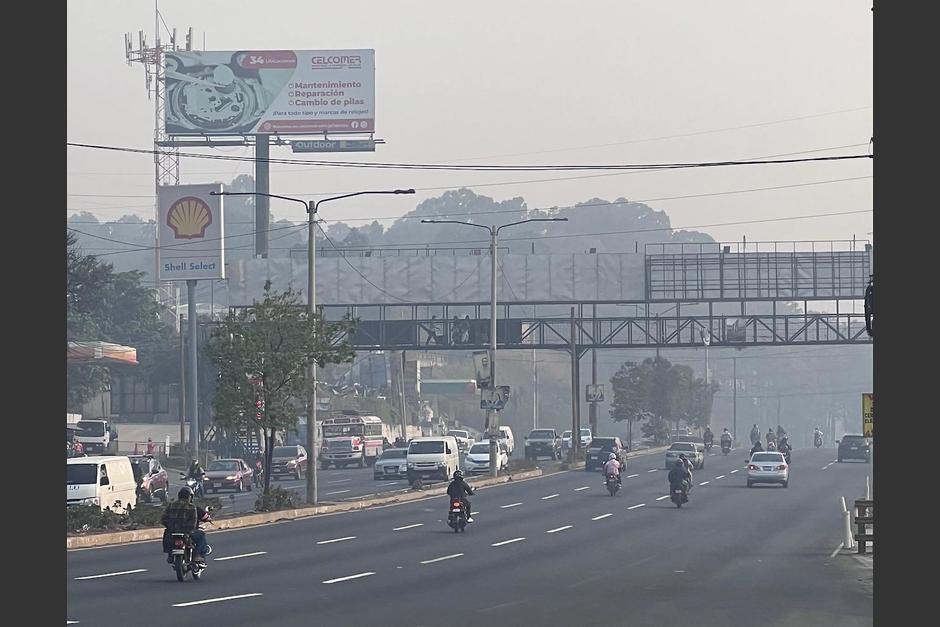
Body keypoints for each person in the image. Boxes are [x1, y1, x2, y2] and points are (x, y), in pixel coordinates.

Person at [161, 487, 211, 564]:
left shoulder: (171, 505)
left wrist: (170, 527)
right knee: (201, 535)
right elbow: (193, 521)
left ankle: (170, 555)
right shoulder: (192, 507)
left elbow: (163, 519)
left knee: (167, 535)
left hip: (172, 532)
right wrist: (189, 530)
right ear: (190, 496)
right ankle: (198, 555)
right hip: (187, 532)